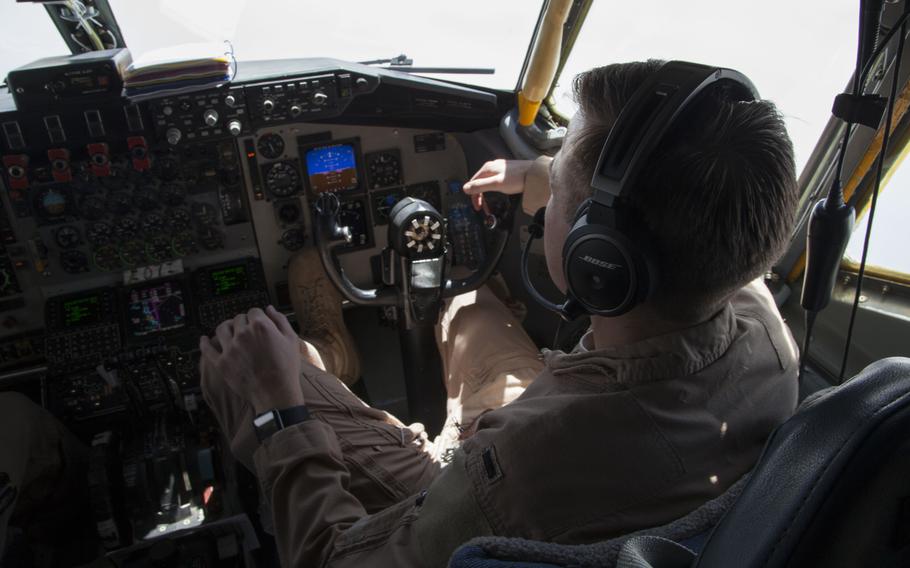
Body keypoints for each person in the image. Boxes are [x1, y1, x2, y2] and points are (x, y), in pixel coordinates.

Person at [199, 59, 801, 567]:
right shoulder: (764, 329)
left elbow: (338, 562)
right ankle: (337, 353)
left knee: (240, 358)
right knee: (465, 300)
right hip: (602, 449)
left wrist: (282, 416)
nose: (549, 179)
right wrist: (534, 176)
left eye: (559, 174)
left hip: (481, 487)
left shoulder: (527, 465)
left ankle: (322, 352)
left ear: (600, 259)